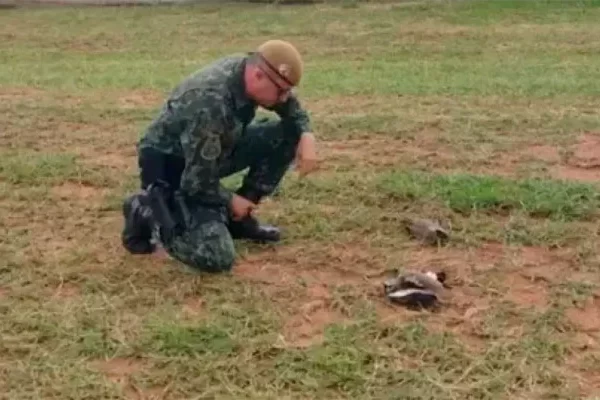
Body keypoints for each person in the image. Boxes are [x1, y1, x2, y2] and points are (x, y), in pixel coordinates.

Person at [120, 39, 318, 273]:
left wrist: (306, 133)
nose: (284, 98)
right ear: (257, 76)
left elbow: (289, 108)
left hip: (214, 151)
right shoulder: (210, 102)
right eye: (281, 91)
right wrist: (229, 199)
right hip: (174, 168)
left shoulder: (249, 71)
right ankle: (146, 212)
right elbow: (196, 182)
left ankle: (238, 219)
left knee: (290, 132)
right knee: (216, 256)